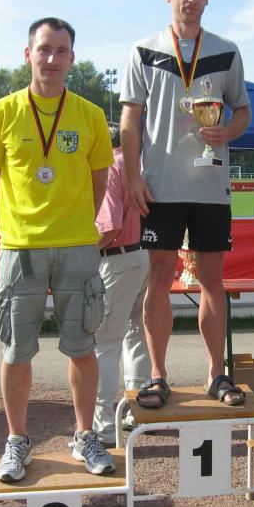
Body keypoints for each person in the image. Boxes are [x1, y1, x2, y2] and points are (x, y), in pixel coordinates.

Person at [0, 17, 116, 481]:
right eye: (44, 49)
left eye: (61, 51)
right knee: (16, 352)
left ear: (72, 58)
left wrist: (73, 223)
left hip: (77, 247)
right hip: (21, 249)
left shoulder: (90, 116)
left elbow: (98, 183)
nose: (52, 58)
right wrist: (18, 223)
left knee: (82, 348)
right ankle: (17, 441)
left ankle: (84, 436)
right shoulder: (1, 112)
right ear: (27, 53)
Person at [119, 0, 252, 408]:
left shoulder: (226, 51)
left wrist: (227, 130)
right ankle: (157, 376)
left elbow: (243, 111)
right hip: (160, 186)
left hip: (210, 187)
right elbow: (130, 120)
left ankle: (217, 373)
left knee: (212, 280)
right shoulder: (143, 50)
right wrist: (133, 176)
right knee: (159, 279)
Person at [93, 125, 151, 445]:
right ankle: (139, 411)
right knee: (136, 335)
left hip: (117, 258)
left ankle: (102, 424)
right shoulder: (135, 165)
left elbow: (109, 226)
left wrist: (86, 253)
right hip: (143, 255)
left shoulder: (109, 168)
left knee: (104, 341)